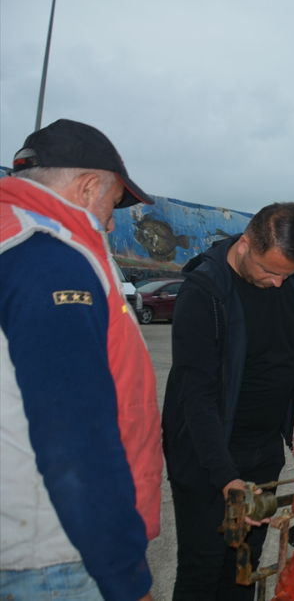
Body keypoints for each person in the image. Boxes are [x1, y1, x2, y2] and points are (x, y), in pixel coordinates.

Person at [0, 120, 161, 601]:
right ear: (88, 186)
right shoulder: (49, 259)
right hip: (56, 555)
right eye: (112, 204)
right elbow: (73, 437)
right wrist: (124, 573)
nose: (111, 223)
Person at [162, 202, 294, 600]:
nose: (279, 283)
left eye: (288, 273)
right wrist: (226, 478)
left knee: (243, 568)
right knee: (203, 567)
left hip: (263, 452)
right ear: (246, 244)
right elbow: (194, 395)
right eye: (271, 271)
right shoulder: (204, 291)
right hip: (206, 452)